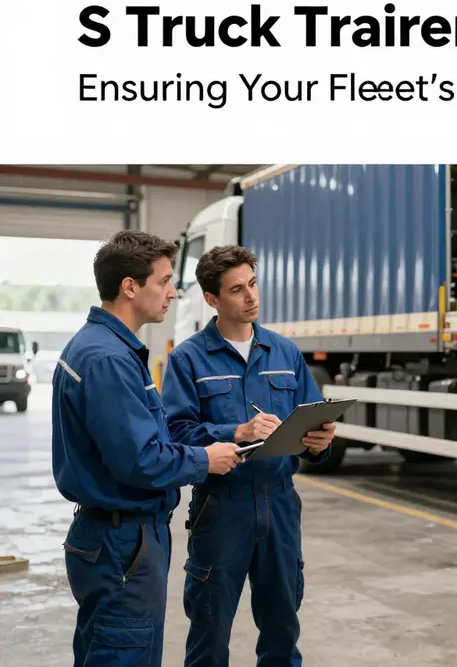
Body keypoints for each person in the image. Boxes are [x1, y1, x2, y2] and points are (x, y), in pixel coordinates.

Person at [51, 230, 243, 667]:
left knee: (111, 647)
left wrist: (224, 435)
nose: (174, 293)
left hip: (117, 537)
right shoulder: (109, 360)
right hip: (124, 541)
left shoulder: (104, 349)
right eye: (164, 281)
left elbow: (144, 439)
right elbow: (140, 459)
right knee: (124, 652)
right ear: (130, 287)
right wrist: (206, 459)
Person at [161, 244, 336, 667]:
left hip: (279, 504)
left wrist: (320, 442)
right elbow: (175, 432)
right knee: (210, 629)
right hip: (222, 507)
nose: (251, 296)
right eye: (237, 289)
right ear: (211, 299)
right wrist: (235, 432)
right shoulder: (188, 359)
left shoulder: (285, 353)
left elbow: (311, 421)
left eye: (253, 284)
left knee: (281, 628)